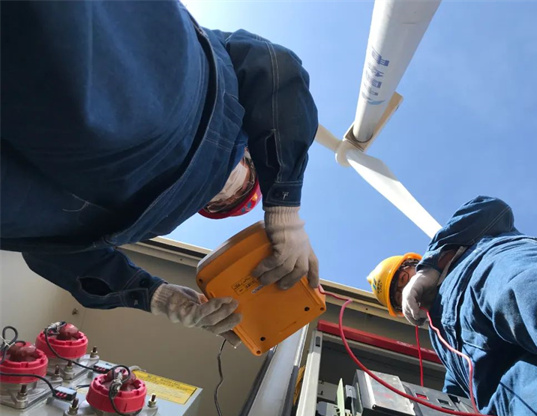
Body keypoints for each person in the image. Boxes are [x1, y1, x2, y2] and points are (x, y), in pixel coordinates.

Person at [0, 1, 320, 347]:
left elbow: (53, 251)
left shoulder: (159, 221)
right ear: (249, 155)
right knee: (53, 34)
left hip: (39, 206)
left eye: (223, 204)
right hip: (162, 112)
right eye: (244, 186)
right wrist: (284, 203)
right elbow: (272, 66)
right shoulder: (229, 111)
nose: (228, 193)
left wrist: (156, 295)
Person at [368, 196, 537, 416]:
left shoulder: (458, 247)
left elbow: (493, 208)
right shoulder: (441, 341)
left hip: (480, 274)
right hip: (502, 381)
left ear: (413, 263)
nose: (405, 293)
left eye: (403, 279)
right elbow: (456, 391)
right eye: (398, 299)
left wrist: (431, 265)